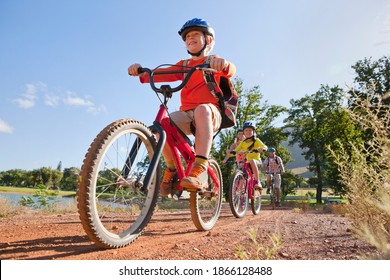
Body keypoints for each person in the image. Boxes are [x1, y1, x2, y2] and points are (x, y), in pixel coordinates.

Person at [128, 18, 236, 196]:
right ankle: (172, 169)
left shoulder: (213, 61)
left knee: (202, 109)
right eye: (187, 37)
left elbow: (230, 69)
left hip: (211, 113)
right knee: (161, 126)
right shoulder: (184, 65)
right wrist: (141, 72)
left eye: (195, 35)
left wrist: (223, 65)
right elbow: (162, 73)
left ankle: (200, 165)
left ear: (208, 40)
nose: (190, 39)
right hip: (187, 115)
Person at [233, 121, 267, 190]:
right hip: (247, 162)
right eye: (246, 130)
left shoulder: (256, 140)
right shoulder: (243, 142)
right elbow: (236, 150)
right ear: (244, 132)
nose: (248, 132)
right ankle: (240, 190)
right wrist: (231, 152)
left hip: (257, 162)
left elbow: (265, 147)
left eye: (250, 130)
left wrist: (262, 149)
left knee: (252, 161)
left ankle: (258, 182)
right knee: (240, 168)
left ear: (253, 131)